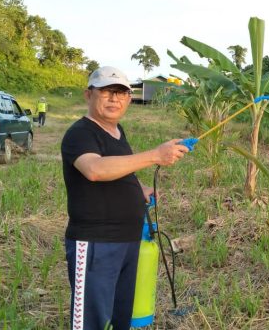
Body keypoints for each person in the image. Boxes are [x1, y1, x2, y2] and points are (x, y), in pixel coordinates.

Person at [61, 66, 189, 330]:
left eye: (121, 93)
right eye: (107, 91)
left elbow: (121, 167)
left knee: (121, 317)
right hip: (96, 242)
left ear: (129, 99)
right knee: (90, 321)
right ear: (88, 94)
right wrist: (155, 155)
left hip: (129, 241)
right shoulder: (80, 133)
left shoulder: (118, 132)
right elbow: (95, 169)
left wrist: (139, 188)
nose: (114, 99)